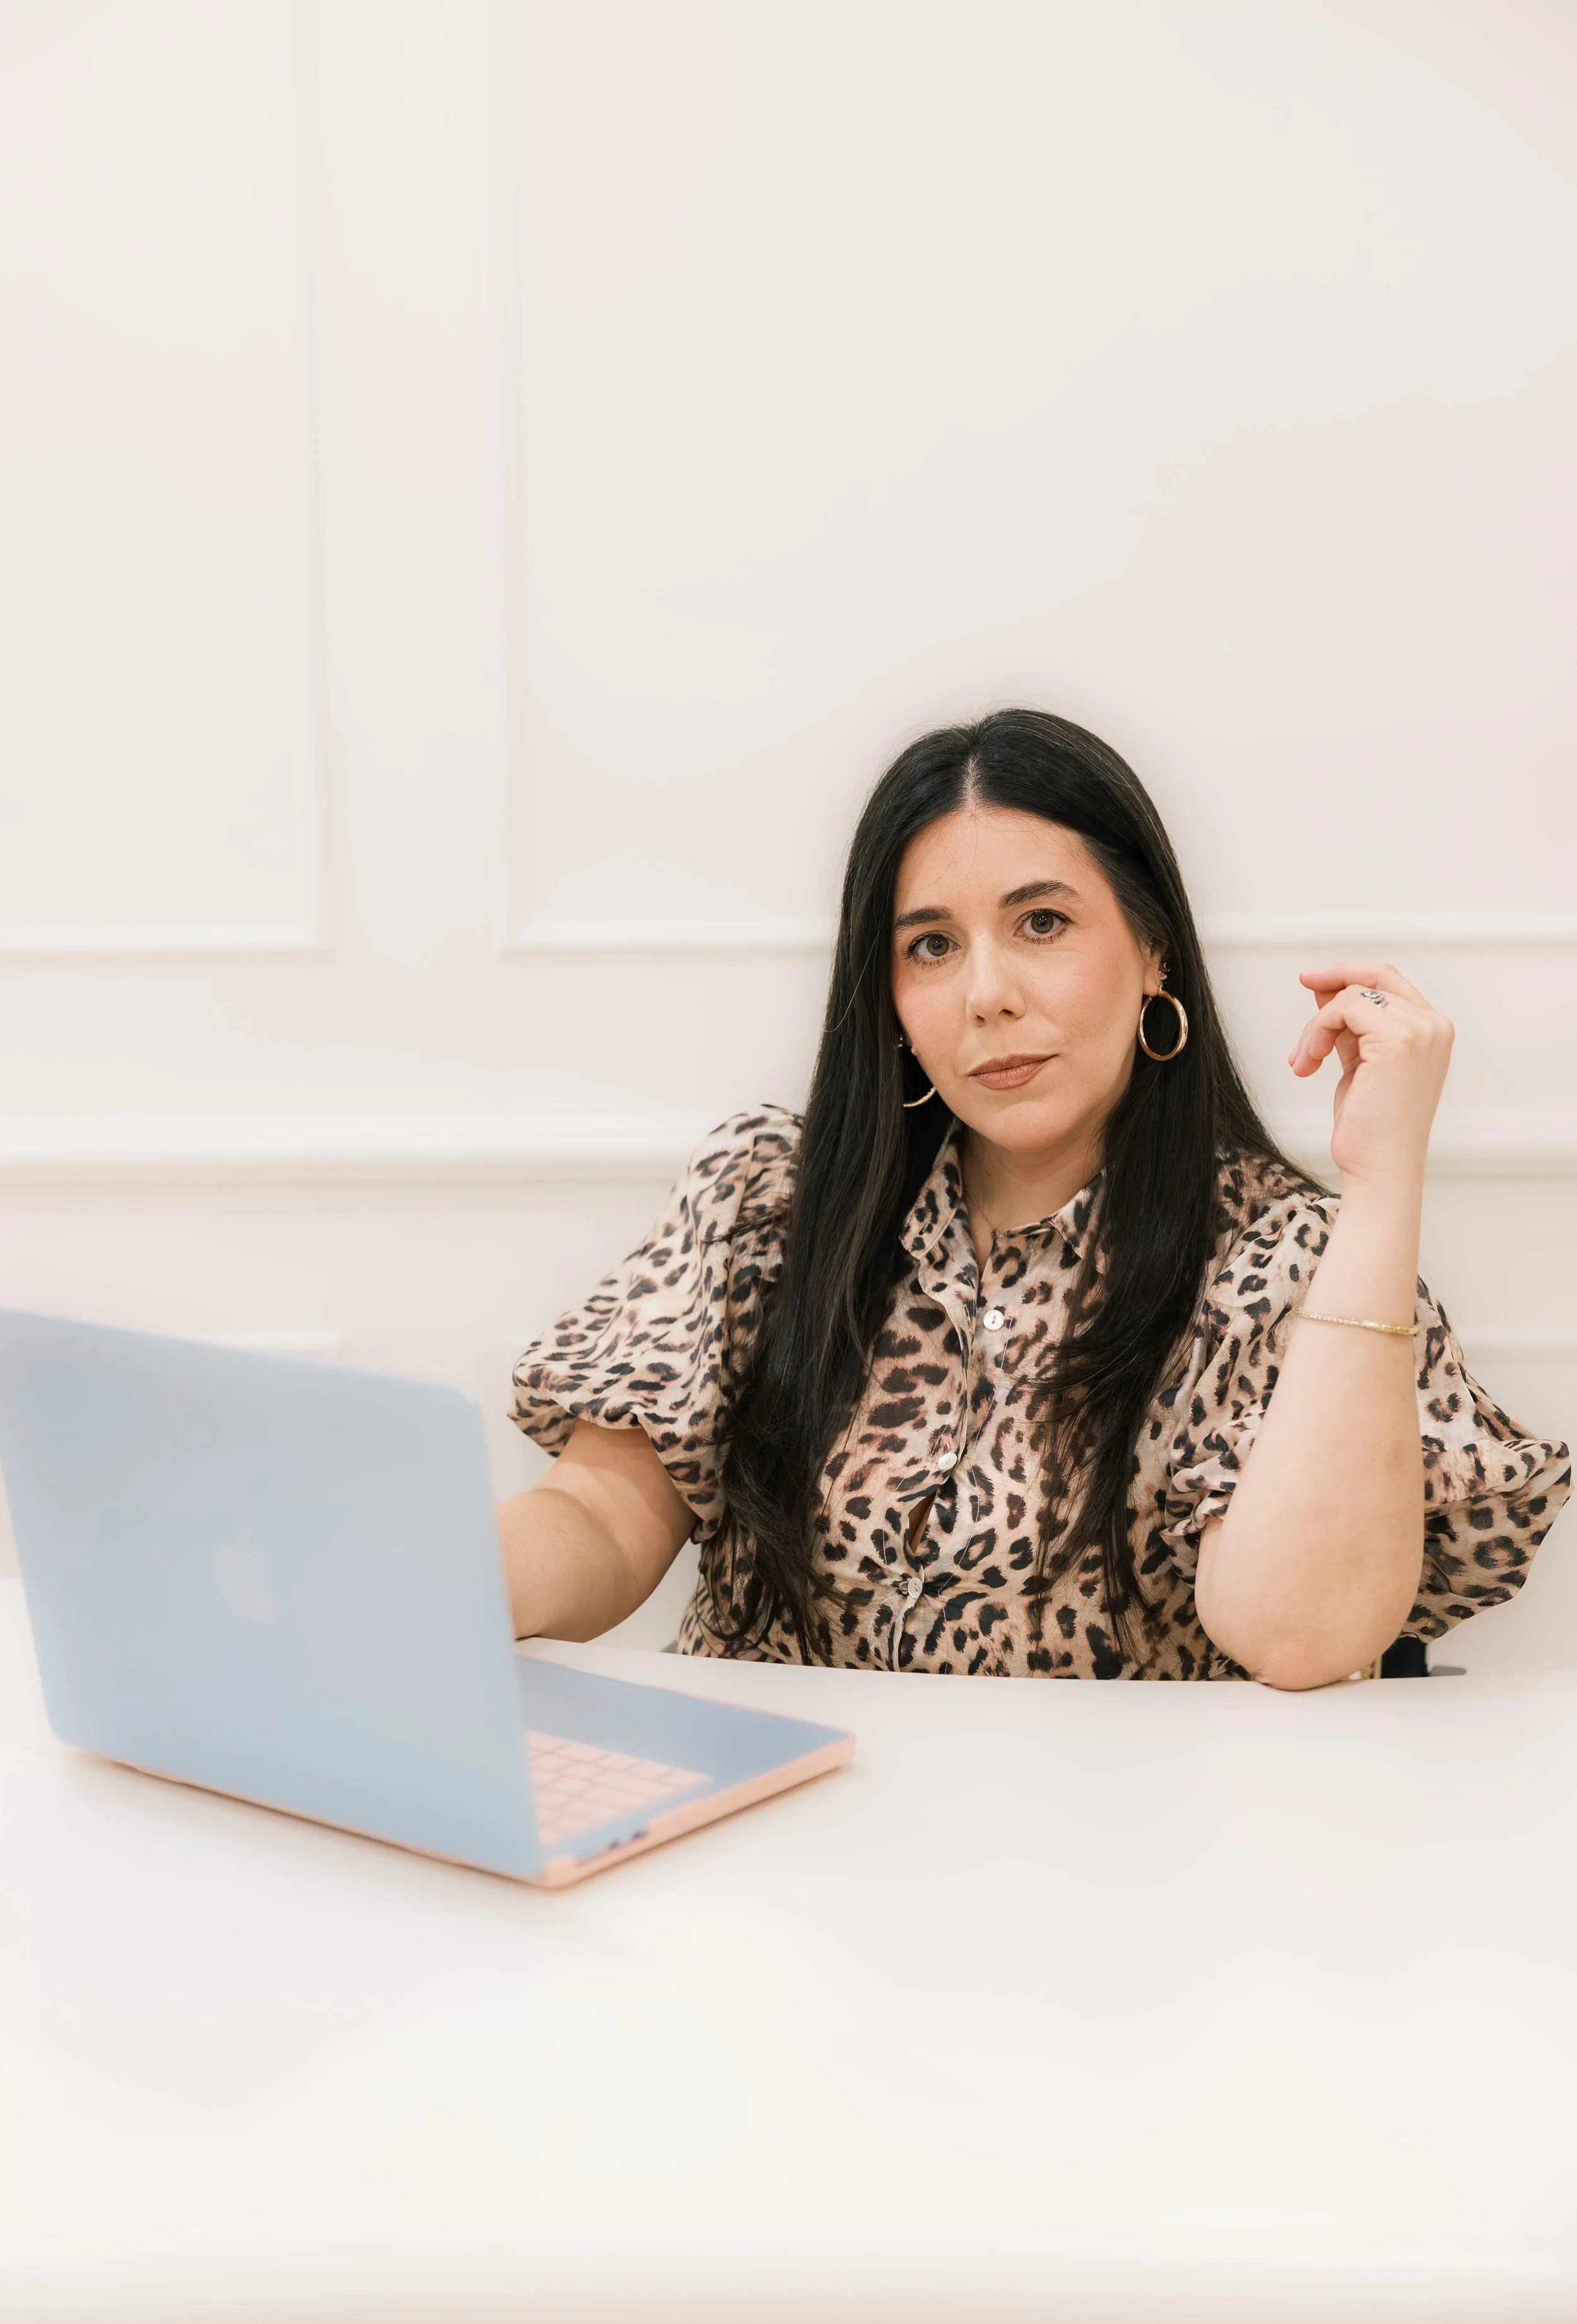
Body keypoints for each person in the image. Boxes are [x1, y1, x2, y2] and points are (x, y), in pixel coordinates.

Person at [501, 711, 1569, 1686]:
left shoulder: (1280, 1260)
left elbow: (1298, 1634)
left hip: (1115, 1872)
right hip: (776, 1838)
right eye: (931, 945)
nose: (987, 994)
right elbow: (599, 1517)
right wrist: (415, 1578)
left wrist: (1381, 1188)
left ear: (1154, 950)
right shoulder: (768, 1201)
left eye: (1043, 924)